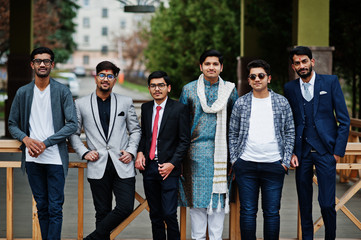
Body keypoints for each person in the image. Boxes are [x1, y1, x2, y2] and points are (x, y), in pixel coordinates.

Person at [8, 47, 78, 240]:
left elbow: (73, 124)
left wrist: (46, 143)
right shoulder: (23, 93)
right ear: (32, 64)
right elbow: (12, 124)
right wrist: (27, 140)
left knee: (55, 208)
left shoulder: (62, 91)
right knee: (42, 206)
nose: (42, 64)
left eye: (46, 61)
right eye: (38, 61)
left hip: (55, 158)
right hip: (32, 160)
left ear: (52, 65)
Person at [69, 61, 141, 240]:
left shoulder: (125, 101)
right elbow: (74, 133)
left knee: (125, 207)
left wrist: (131, 151)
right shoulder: (81, 104)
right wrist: (84, 152)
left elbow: (136, 130)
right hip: (97, 164)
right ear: (96, 77)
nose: (105, 79)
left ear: (115, 79)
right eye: (102, 75)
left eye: (110, 76)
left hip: (122, 164)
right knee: (102, 212)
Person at [284, 46, 350, 239]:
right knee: (304, 204)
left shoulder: (330, 82)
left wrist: (337, 152)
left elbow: (344, 120)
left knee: (327, 203)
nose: (301, 66)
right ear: (293, 66)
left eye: (304, 61)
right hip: (302, 153)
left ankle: (330, 237)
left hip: (326, 152)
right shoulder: (290, 88)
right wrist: (291, 152)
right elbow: (290, 122)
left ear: (312, 62)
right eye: (297, 63)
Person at [228, 59, 295, 239]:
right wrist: (236, 160)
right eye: (253, 76)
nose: (257, 79)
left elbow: (290, 132)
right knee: (248, 212)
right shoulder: (241, 103)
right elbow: (232, 133)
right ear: (249, 80)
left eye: (261, 75)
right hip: (246, 165)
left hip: (274, 165)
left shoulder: (282, 102)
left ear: (269, 78)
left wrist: (285, 161)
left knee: (272, 212)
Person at [178, 49, 238, 240]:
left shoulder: (230, 90)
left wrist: (234, 159)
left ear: (221, 67)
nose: (211, 67)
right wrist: (179, 158)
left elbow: (235, 126)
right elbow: (181, 126)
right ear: (201, 66)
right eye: (207, 64)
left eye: (215, 64)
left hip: (222, 156)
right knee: (197, 206)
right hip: (193, 157)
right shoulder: (188, 89)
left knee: (218, 205)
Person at [135, 71, 190, 240]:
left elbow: (184, 141)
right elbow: (145, 135)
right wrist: (140, 152)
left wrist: (172, 164)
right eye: (153, 85)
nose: (157, 89)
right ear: (149, 88)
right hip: (150, 167)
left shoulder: (179, 109)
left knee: (169, 213)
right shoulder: (145, 108)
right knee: (155, 215)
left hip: (169, 169)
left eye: (161, 85)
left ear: (168, 88)